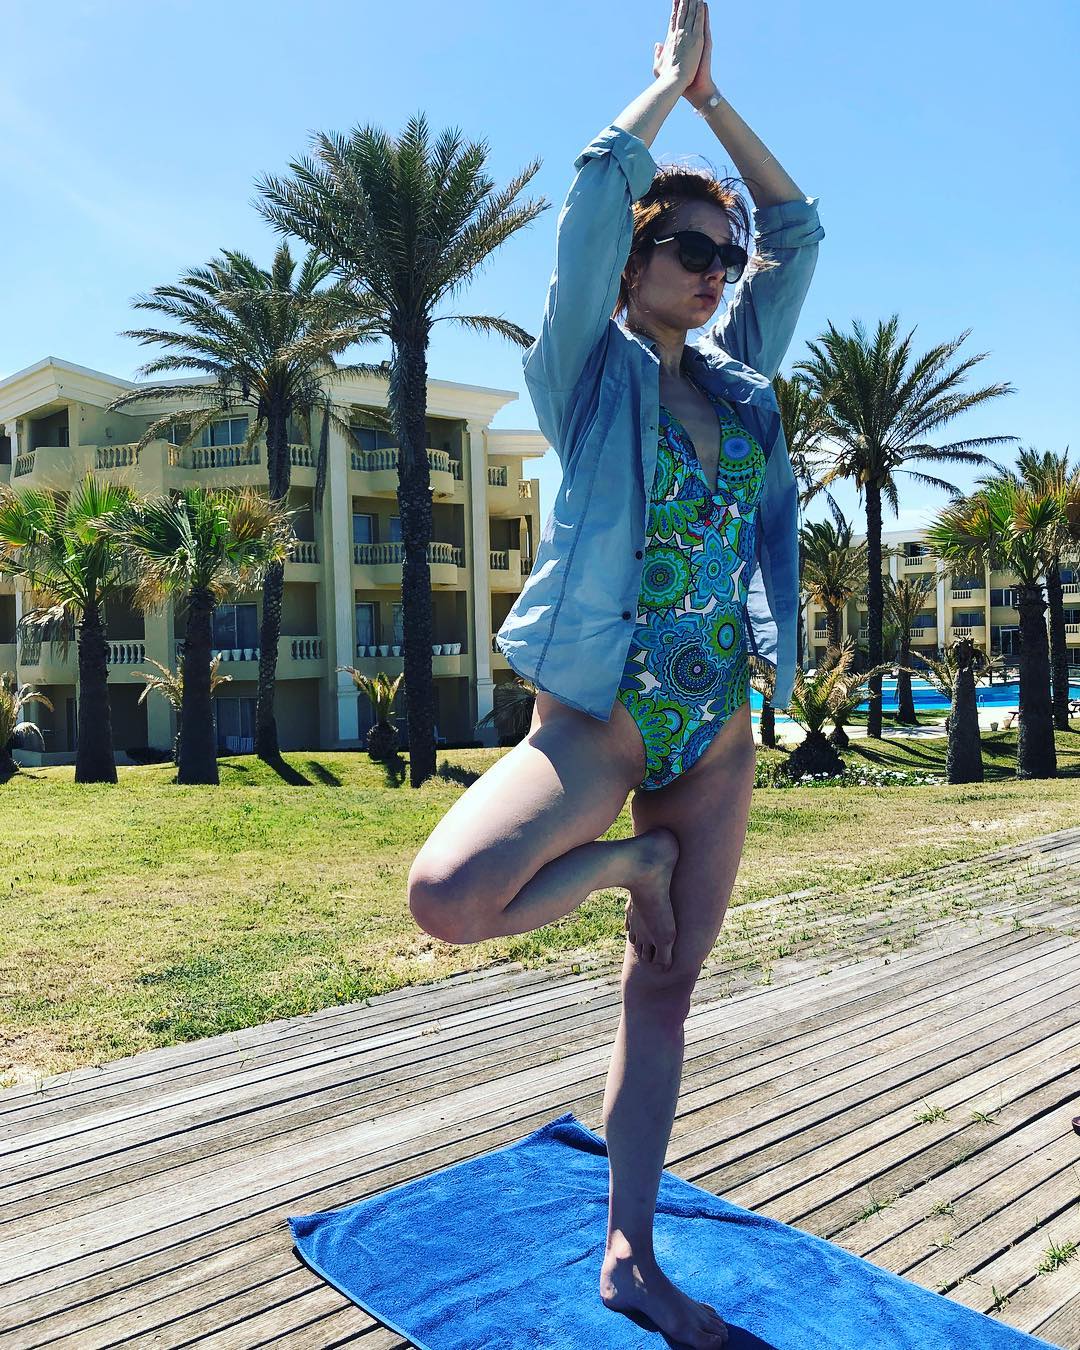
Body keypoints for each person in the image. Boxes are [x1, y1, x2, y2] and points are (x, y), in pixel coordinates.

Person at [408, 1, 823, 1344]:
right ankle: (628, 864)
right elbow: (594, 191)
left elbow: (800, 228)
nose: (715, 273)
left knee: (665, 988)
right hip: (600, 718)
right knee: (449, 897)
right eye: (689, 250)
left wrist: (718, 107)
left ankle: (631, 1256)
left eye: (723, 260)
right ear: (637, 262)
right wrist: (661, 92)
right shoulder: (587, 377)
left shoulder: (744, 386)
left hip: (718, 725)